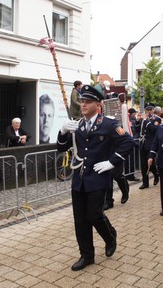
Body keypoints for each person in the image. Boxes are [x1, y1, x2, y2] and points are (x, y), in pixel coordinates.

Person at [57, 84, 134, 271]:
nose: (83, 105)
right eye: (82, 101)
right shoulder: (78, 124)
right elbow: (60, 148)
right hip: (80, 178)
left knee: (94, 215)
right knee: (80, 219)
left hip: (98, 178)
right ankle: (87, 255)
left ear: (97, 104)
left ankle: (110, 236)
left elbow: (128, 142)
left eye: (87, 102)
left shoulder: (108, 124)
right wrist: (62, 132)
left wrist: (112, 162)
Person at [137, 103, 160, 189]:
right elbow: (138, 130)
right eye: (148, 109)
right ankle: (145, 183)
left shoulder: (156, 119)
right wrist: (138, 121)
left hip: (151, 144)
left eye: (151, 109)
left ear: (153, 110)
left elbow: (154, 129)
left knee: (150, 163)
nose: (149, 111)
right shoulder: (144, 119)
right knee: (143, 165)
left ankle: (156, 174)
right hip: (143, 143)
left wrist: (146, 121)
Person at [124, 108, 140, 182]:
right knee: (131, 160)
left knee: (128, 160)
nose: (135, 114)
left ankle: (128, 174)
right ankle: (130, 175)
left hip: (128, 141)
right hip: (132, 141)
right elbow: (135, 130)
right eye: (134, 113)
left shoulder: (127, 119)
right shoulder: (132, 119)